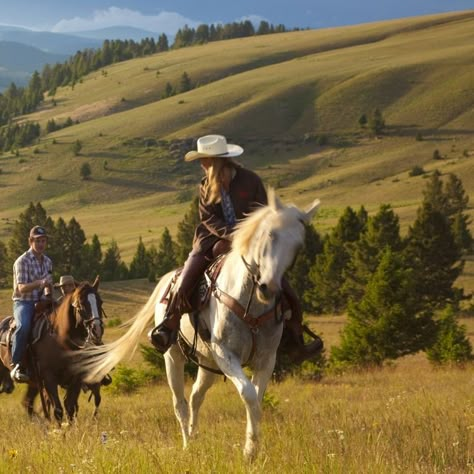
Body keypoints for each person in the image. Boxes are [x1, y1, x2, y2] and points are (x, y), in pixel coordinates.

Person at [150, 134, 323, 362]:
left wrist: (249, 235)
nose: (202, 165)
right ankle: (169, 326)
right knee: (185, 279)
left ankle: (295, 337)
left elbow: (263, 212)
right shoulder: (205, 186)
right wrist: (233, 235)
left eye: (204, 160)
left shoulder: (250, 181)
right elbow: (208, 219)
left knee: (283, 287)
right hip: (211, 242)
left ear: (217, 161)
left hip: (252, 244)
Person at [10, 225, 53, 383]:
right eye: (38, 241)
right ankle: (16, 364)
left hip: (42, 300)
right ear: (30, 241)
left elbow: (48, 284)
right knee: (24, 326)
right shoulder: (22, 261)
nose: (41, 244)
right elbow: (21, 288)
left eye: (43, 241)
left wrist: (48, 295)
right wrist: (40, 283)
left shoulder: (48, 261)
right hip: (24, 302)